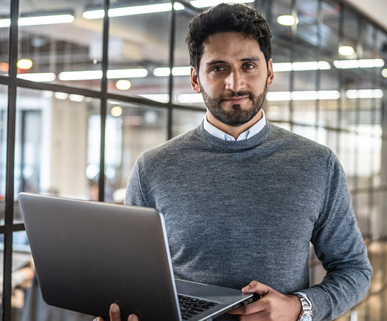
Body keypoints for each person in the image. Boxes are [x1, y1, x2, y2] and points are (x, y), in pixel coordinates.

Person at [96, 4, 372, 321]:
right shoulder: (153, 168)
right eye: (218, 68)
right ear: (195, 79)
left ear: (269, 72)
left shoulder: (317, 164)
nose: (235, 83)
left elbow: (353, 269)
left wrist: (298, 307)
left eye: (248, 66)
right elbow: (131, 276)